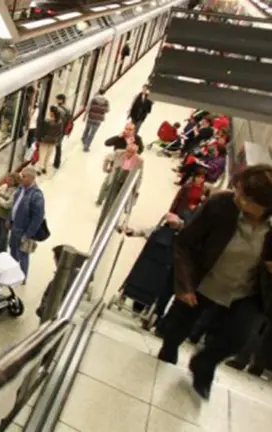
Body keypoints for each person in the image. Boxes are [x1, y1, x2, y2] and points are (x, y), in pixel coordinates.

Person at [156, 165, 272, 399]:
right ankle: (167, 353)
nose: (238, 198)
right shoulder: (220, 205)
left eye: (246, 198)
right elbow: (185, 243)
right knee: (177, 328)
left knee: (237, 338)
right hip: (204, 280)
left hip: (245, 291)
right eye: (238, 190)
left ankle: (203, 366)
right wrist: (185, 285)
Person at [8, 167, 45, 279]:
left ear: (32, 178)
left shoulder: (37, 196)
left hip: (24, 232)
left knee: (23, 255)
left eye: (24, 176)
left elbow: (37, 218)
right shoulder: (20, 189)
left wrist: (27, 235)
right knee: (13, 251)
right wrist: (10, 220)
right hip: (15, 228)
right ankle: (12, 272)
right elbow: (14, 206)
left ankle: (22, 277)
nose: (21, 178)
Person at [96, 141, 144, 206]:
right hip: (116, 173)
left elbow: (139, 174)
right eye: (128, 151)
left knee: (124, 192)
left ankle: (117, 206)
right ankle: (99, 200)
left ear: (136, 153)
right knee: (106, 186)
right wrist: (105, 169)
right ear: (126, 150)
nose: (129, 153)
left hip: (127, 176)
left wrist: (137, 187)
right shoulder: (119, 153)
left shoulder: (139, 160)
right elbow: (107, 158)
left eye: (132, 152)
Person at [0, 173, 19, 253]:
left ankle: (1, 251)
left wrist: (0, 200)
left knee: (3, 235)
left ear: (15, 181)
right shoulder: (3, 186)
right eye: (8, 179)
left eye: (11, 180)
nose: (8, 181)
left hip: (6, 217)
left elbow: (8, 205)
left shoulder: (16, 191)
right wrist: (2, 201)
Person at [37, 106, 64, 176]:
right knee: (48, 155)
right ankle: (45, 168)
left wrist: (39, 139)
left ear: (52, 113)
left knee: (42, 155)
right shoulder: (60, 122)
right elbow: (60, 133)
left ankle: (39, 169)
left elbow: (42, 131)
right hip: (53, 142)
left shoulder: (47, 121)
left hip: (44, 141)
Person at [53, 94, 72, 169]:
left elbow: (57, 120)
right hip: (63, 130)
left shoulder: (58, 109)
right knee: (58, 146)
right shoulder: (68, 108)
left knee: (56, 146)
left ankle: (57, 162)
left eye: (57, 99)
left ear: (61, 100)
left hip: (58, 130)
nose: (56, 100)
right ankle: (57, 162)